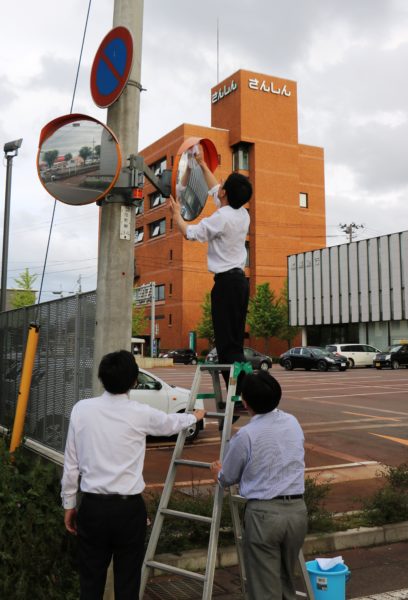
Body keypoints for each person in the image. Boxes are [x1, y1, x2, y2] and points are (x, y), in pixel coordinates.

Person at [61, 349, 205, 600]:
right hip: (129, 511)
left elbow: (71, 464)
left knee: (90, 583)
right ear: (134, 381)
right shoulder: (140, 412)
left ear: (102, 378)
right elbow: (170, 422)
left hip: (92, 507)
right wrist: (193, 417)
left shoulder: (81, 410)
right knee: (128, 583)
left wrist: (69, 504)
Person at [210, 371, 307, 600]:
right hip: (297, 512)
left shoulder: (246, 435)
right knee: (286, 583)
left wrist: (217, 472)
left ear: (244, 402)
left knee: (264, 589)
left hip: (264, 516)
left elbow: (228, 477)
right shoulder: (292, 422)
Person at [170, 155, 252, 388]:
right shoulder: (241, 213)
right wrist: (202, 164)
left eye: (223, 184)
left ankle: (239, 395)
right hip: (240, 283)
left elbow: (189, 233)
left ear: (225, 194)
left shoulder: (221, 217)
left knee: (226, 346)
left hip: (226, 285)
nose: (220, 186)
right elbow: (215, 188)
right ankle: (243, 395)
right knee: (235, 343)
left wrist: (177, 215)